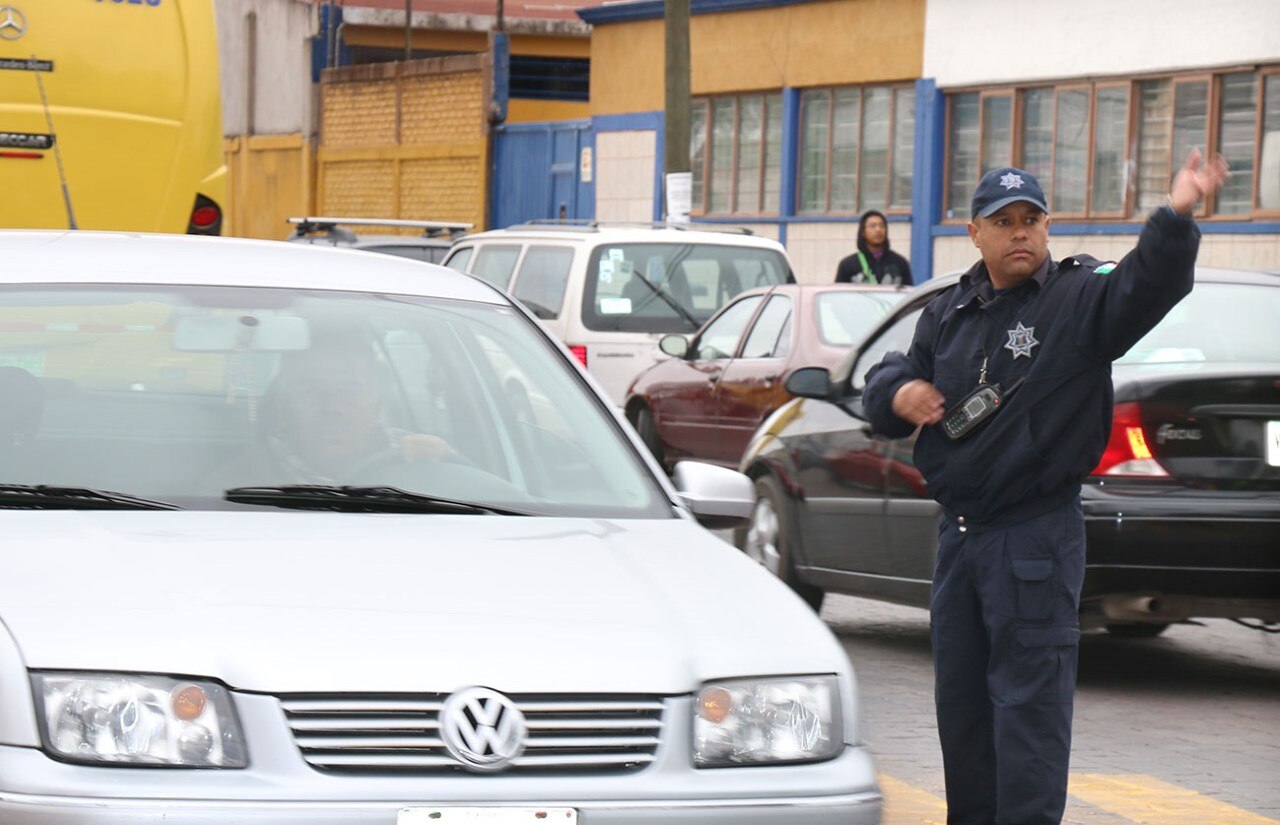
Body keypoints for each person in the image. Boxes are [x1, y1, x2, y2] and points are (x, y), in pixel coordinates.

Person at [861, 153, 1228, 825]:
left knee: (1028, 719)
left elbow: (1144, 287)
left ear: (1047, 225)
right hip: (961, 541)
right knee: (964, 712)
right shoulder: (948, 313)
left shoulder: (1076, 298)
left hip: (1034, 539)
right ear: (976, 233)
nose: (1020, 233)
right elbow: (883, 381)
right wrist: (901, 391)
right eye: (1004, 222)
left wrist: (1175, 215)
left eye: (1031, 219)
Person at [835, 209, 913, 285]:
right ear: (863, 232)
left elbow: (910, 295)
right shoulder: (847, 265)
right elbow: (838, 295)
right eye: (873, 226)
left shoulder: (900, 263)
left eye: (882, 226)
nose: (878, 229)